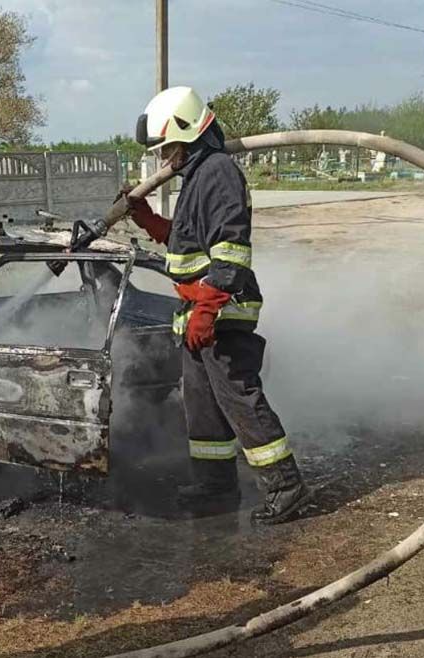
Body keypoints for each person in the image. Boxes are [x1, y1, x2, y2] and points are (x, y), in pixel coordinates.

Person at [121, 86, 309, 524]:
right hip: (197, 313)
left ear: (188, 133)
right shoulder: (196, 178)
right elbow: (188, 242)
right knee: (202, 405)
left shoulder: (219, 172)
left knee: (238, 399)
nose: (165, 157)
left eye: (168, 147)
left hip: (224, 309)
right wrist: (147, 219)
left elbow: (230, 250)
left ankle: (287, 486)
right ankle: (216, 486)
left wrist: (208, 308)